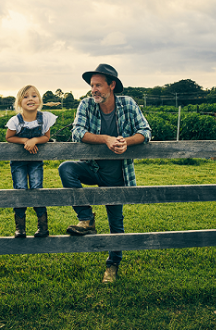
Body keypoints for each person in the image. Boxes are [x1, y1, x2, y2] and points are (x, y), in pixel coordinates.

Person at [58, 64, 151, 283]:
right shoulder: (86, 105)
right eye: (92, 85)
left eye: (98, 85)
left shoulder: (127, 104)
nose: (94, 90)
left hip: (117, 175)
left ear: (112, 85)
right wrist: (106, 139)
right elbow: (77, 132)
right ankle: (86, 218)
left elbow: (145, 132)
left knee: (116, 224)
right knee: (66, 168)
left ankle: (112, 265)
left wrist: (125, 142)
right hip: (91, 168)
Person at [5, 85, 57, 238]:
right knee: (20, 188)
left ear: (39, 100)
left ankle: (42, 226)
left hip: (35, 160)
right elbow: (9, 137)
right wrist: (24, 141)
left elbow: (46, 137)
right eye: (26, 96)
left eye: (34, 96)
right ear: (20, 102)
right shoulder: (15, 120)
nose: (30, 99)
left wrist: (35, 139)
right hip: (18, 161)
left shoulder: (44, 118)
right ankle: (20, 227)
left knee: (37, 188)